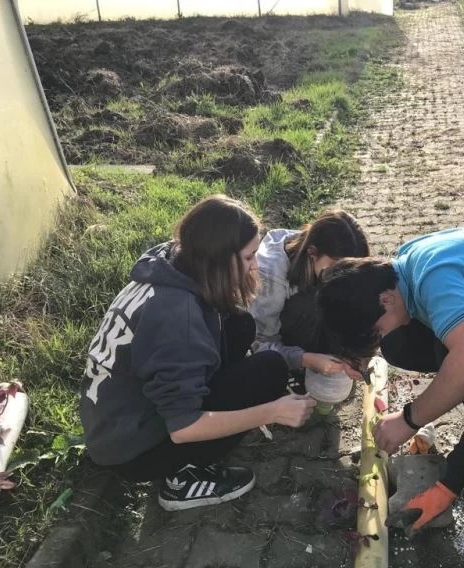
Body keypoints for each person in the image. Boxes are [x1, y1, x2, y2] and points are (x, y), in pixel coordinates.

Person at [79, 195, 316, 511]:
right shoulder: (179, 319)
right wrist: (273, 411)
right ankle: (183, 479)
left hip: (114, 418)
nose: (255, 266)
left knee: (240, 323)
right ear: (218, 260)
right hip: (133, 450)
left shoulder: (170, 261)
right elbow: (183, 428)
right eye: (248, 258)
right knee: (269, 371)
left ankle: (205, 413)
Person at [318, 227, 464, 530]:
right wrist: (360, 352)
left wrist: (409, 419)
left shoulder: (434, 278)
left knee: (462, 363)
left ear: (386, 299)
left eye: (374, 331)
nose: (377, 339)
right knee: (399, 343)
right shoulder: (401, 268)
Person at [249, 209, 369, 380]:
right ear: (312, 252)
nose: (341, 278)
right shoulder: (270, 276)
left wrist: (353, 354)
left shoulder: (318, 251)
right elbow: (259, 344)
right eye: (335, 269)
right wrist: (307, 360)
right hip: (276, 342)